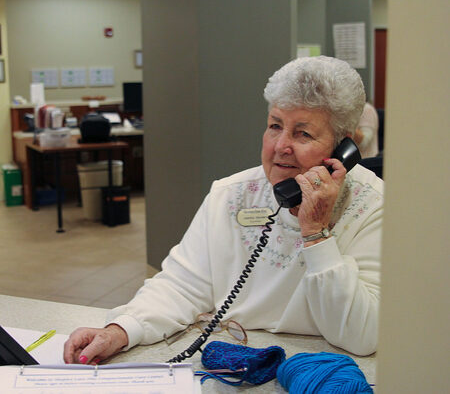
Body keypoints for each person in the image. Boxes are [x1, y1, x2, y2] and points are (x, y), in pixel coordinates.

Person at [64, 56, 383, 365]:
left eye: (303, 133)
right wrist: (121, 330)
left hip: (322, 372)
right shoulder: (232, 195)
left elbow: (363, 334)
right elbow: (183, 285)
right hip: (236, 362)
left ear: (343, 147)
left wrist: (316, 233)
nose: (280, 146)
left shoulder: (375, 205)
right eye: (274, 126)